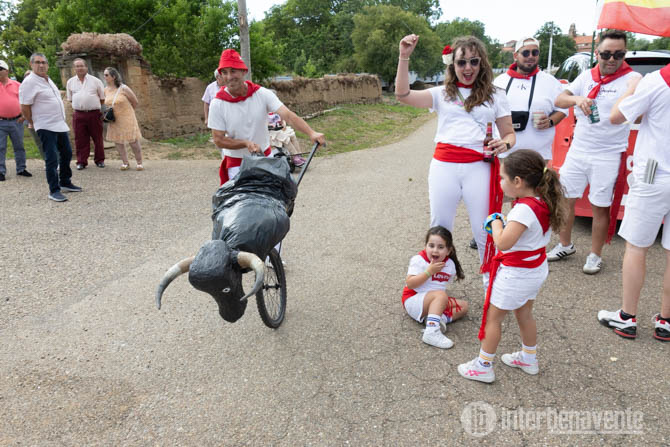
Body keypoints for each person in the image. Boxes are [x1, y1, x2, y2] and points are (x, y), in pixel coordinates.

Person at [395, 35, 515, 278]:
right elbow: (403, 94)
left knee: (484, 228)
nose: (468, 68)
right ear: (453, 64)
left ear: (482, 63)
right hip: (445, 167)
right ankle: (436, 282)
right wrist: (404, 57)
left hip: (479, 167)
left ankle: (491, 284)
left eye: (474, 61)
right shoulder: (441, 93)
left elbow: (510, 134)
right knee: (440, 228)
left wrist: (504, 144)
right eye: (461, 62)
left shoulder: (496, 95)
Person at [458, 150, 567, 383]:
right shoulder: (542, 200)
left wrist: (496, 222)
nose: (500, 182)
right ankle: (529, 358)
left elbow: (503, 242)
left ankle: (483, 366)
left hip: (517, 274)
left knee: (493, 319)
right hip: (534, 269)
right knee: (524, 313)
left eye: (502, 178)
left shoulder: (523, 210)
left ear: (517, 182)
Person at [549, 30, 641, 274]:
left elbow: (638, 111)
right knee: (565, 199)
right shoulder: (586, 76)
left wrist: (633, 89)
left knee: (599, 206)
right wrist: (577, 99)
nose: (612, 60)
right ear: (597, 53)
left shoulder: (632, 79)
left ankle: (595, 255)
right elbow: (559, 100)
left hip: (608, 154)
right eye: (606, 54)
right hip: (579, 150)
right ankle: (565, 245)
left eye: (618, 55)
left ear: (624, 54)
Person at [597, 62, 670, 342]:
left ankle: (627, 316)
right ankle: (666, 320)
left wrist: (631, 88)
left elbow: (617, 116)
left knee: (637, 247)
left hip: (655, 173)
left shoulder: (656, 81)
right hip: (657, 173)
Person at [207, 49, 325, 185]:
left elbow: (288, 115)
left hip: (265, 160)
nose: (229, 77)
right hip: (237, 166)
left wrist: (311, 132)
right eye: (224, 72)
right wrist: (245, 143)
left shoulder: (261, 94)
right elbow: (219, 139)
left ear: (243, 71)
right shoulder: (218, 103)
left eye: (233, 71)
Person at [19, 53, 82, 202]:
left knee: (67, 153)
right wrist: (33, 122)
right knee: (52, 158)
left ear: (47, 64)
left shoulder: (47, 79)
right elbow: (24, 106)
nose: (41, 65)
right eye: (37, 62)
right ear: (31, 64)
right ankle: (54, 190)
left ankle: (65, 181)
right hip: (45, 125)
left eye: (44, 62)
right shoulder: (29, 82)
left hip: (59, 124)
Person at [493, 37, 566, 160]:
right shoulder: (500, 81)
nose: (531, 56)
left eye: (535, 52)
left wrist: (550, 121)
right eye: (526, 53)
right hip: (504, 154)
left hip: (538, 155)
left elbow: (562, 110)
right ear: (515, 56)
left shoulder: (551, 82)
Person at [402, 226, 468, 349]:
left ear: (448, 251)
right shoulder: (419, 260)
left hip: (432, 301)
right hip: (413, 300)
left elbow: (440, 286)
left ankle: (434, 320)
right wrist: (429, 272)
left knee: (463, 306)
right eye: (431, 246)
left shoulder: (450, 265)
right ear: (425, 246)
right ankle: (431, 333)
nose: (435, 250)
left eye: (441, 247)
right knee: (441, 295)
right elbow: (410, 284)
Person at [66, 58, 105, 169]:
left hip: (94, 114)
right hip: (78, 115)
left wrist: (92, 106)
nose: (79, 68)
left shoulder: (96, 81)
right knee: (80, 139)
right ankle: (81, 162)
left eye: (81, 66)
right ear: (74, 68)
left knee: (97, 138)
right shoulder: (70, 82)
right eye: (77, 66)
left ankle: (100, 160)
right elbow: (70, 99)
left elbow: (102, 98)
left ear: (86, 67)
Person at [103, 67, 144, 171]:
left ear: (113, 76)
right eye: (104, 75)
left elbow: (135, 102)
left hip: (127, 117)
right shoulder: (105, 90)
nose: (104, 77)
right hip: (114, 119)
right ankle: (125, 162)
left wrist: (127, 112)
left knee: (133, 141)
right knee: (118, 141)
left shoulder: (124, 88)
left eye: (106, 75)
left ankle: (139, 162)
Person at [0, 59, 32, 182]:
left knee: (19, 146)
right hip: (1, 122)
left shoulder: (17, 85)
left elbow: (26, 101)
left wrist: (24, 116)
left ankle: (21, 168)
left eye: (0, 69)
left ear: (7, 71)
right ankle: (1, 171)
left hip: (16, 121)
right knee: (0, 147)